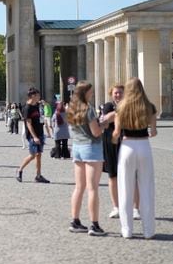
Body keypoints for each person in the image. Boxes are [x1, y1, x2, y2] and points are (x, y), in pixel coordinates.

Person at [113, 77, 157, 239]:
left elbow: (116, 133)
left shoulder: (121, 107)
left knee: (125, 188)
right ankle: (148, 230)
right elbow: (153, 132)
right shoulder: (150, 107)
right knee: (146, 187)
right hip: (144, 146)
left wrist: (111, 139)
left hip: (127, 146)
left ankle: (127, 230)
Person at [67, 82, 106, 236]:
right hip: (91, 148)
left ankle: (75, 221)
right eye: (91, 91)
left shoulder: (72, 108)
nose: (92, 93)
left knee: (79, 187)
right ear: (85, 93)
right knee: (92, 188)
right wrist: (105, 123)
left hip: (77, 147)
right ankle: (94, 225)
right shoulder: (88, 108)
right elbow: (95, 132)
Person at [99, 84, 139, 220]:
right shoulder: (108, 106)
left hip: (127, 142)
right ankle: (116, 207)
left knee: (132, 176)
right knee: (112, 175)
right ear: (112, 94)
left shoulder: (131, 106)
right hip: (110, 143)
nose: (118, 95)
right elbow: (104, 122)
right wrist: (116, 113)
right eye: (115, 93)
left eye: (120, 93)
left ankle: (135, 208)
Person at [16, 88, 50, 183]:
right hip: (32, 135)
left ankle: (38, 176)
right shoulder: (27, 108)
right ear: (33, 96)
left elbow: (46, 106)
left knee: (39, 155)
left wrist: (44, 103)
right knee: (33, 155)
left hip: (40, 132)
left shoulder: (37, 105)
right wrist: (34, 137)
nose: (39, 97)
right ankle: (19, 170)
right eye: (38, 95)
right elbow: (28, 124)